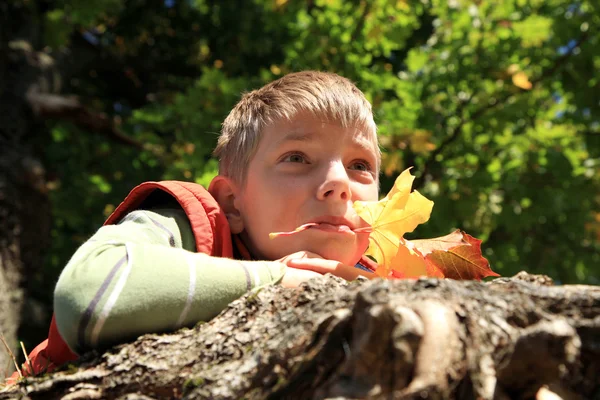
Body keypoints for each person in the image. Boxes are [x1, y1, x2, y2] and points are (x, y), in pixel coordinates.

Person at [14, 71, 380, 380]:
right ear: (233, 204)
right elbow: (89, 292)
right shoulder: (194, 224)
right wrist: (280, 281)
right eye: (297, 158)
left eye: (360, 165)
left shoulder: (387, 280)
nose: (340, 183)